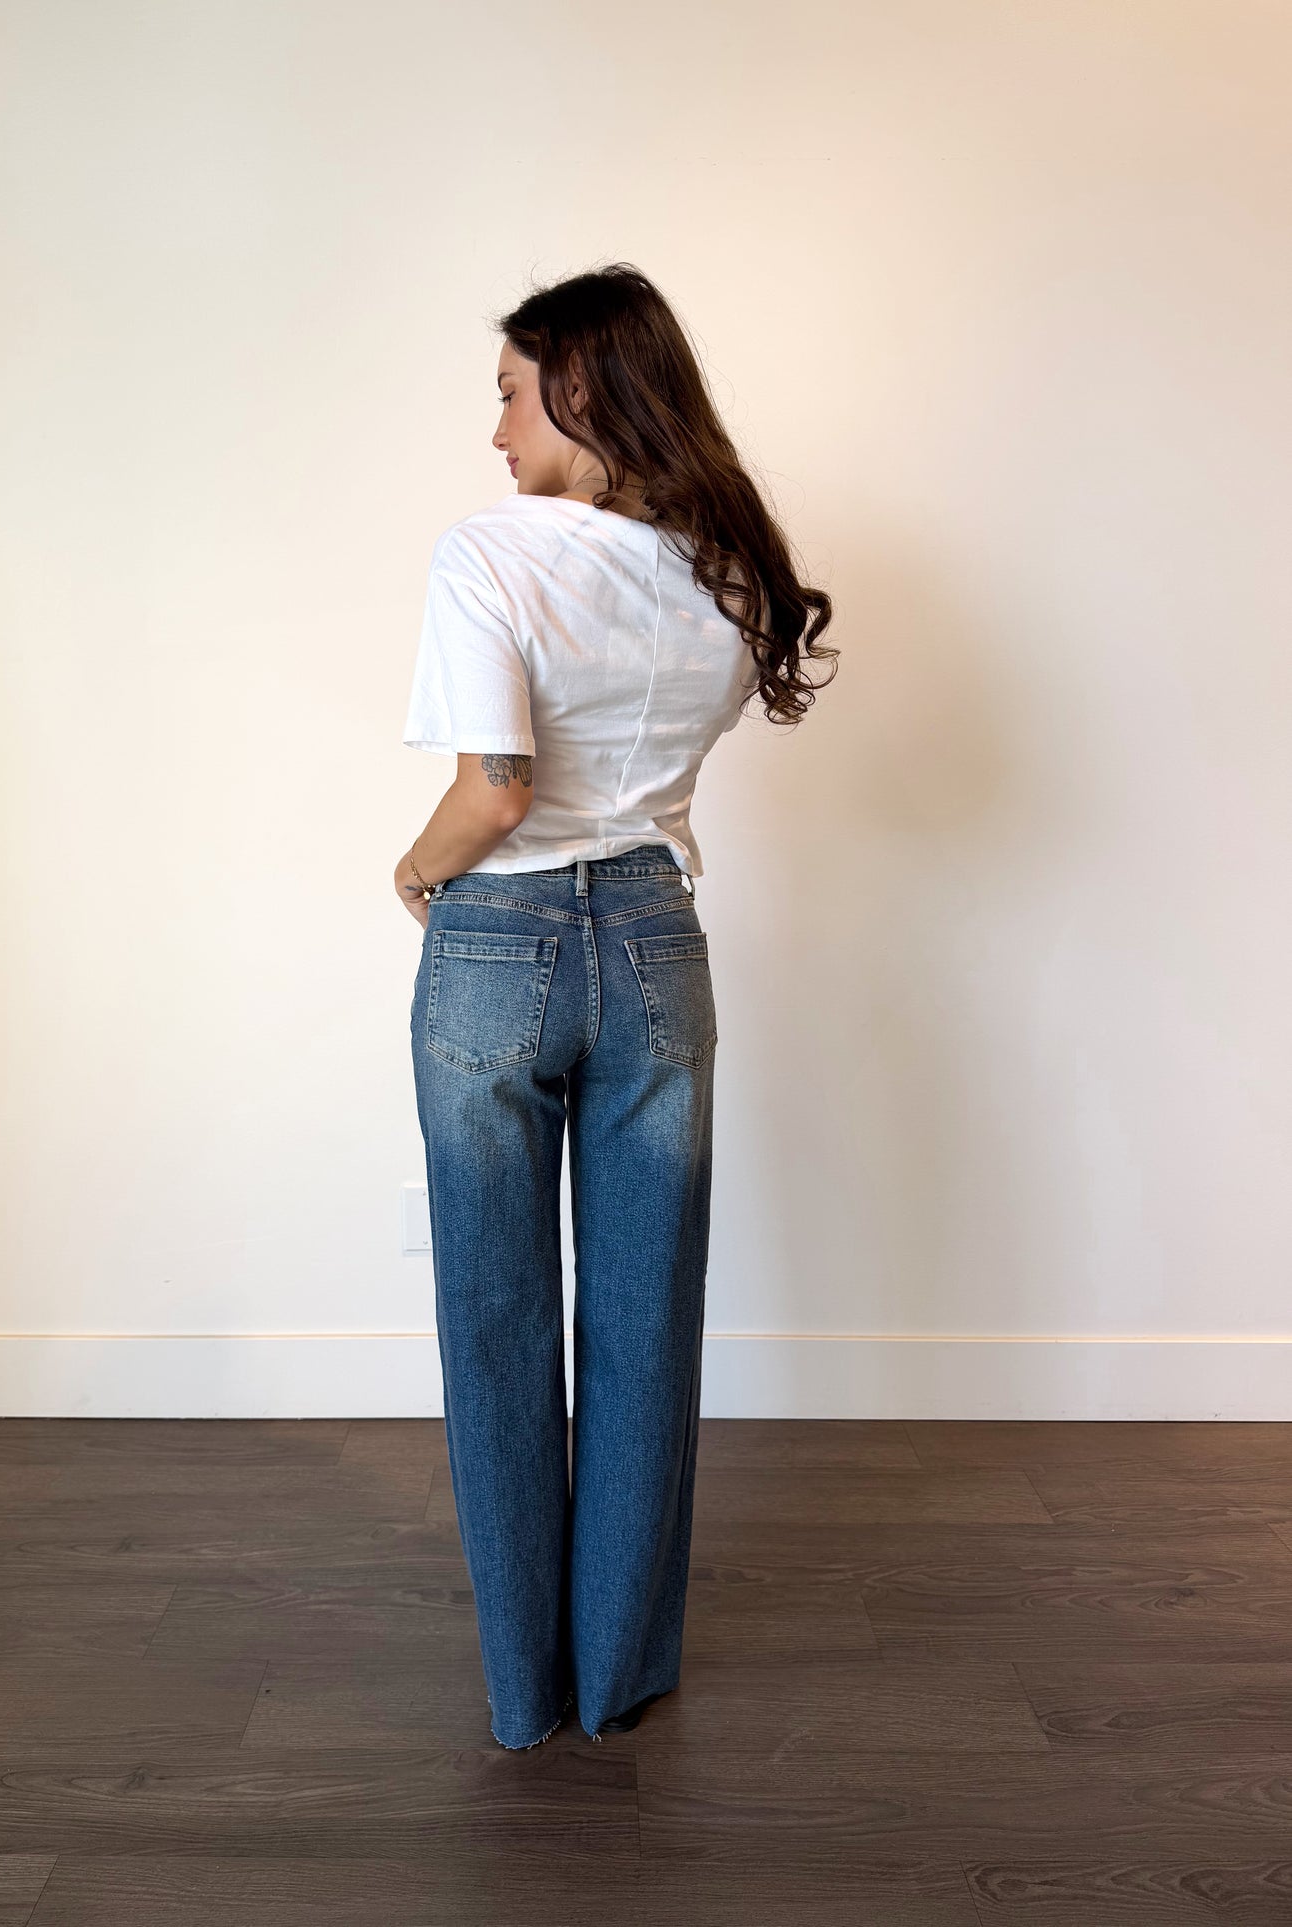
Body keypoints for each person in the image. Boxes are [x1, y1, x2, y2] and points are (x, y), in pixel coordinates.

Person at [394, 263, 836, 1749]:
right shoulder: (722, 571)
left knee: (496, 1319)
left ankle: (526, 1692)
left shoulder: (487, 552)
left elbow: (496, 789)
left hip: (497, 944)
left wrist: (414, 871)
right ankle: (617, 1677)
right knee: (646, 1321)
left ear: (579, 391)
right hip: (655, 943)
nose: (495, 433)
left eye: (511, 396)